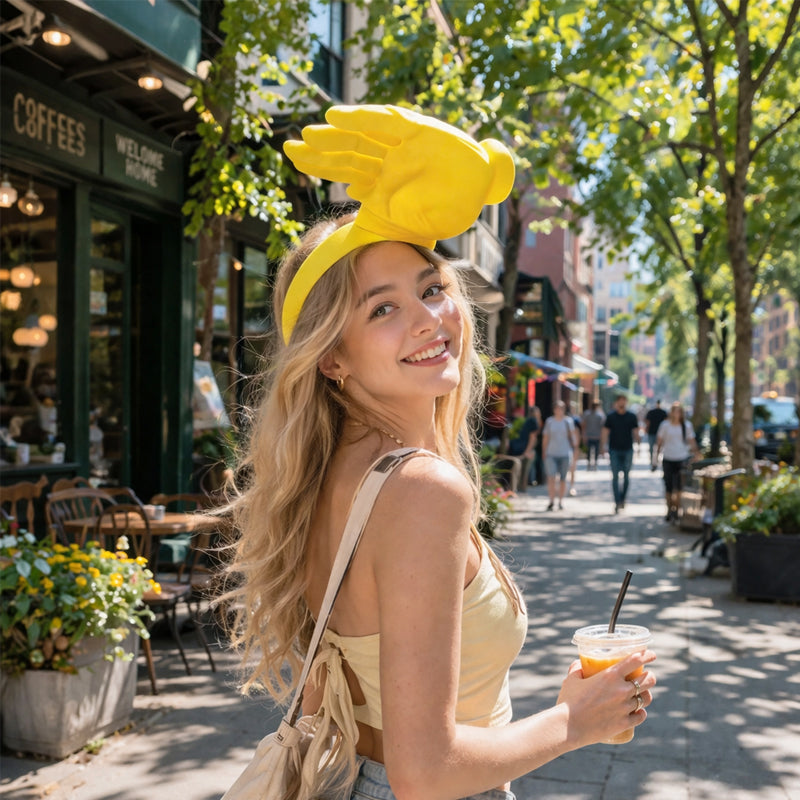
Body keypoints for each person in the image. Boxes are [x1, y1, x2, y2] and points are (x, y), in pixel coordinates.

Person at [223, 104, 656, 800]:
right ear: (333, 357)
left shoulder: (331, 474)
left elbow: (341, 690)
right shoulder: (422, 491)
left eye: (431, 290)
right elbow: (426, 773)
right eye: (382, 308)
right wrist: (575, 721)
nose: (430, 318)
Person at [656, 401, 699, 522]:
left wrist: (697, 453)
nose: (677, 414)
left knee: (679, 486)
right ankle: (669, 509)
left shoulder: (686, 425)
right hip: (668, 458)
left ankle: (677, 509)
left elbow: (691, 440)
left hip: (682, 458)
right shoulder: (665, 425)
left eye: (679, 411)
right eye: (675, 411)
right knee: (668, 486)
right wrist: (656, 457)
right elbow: (659, 441)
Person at [601, 394, 641, 513]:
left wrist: (638, 446)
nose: (622, 403)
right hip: (614, 449)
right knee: (615, 477)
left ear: (626, 402)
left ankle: (623, 499)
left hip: (628, 449)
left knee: (627, 477)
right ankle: (617, 501)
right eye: (620, 401)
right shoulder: (611, 417)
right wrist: (603, 446)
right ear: (617, 402)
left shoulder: (631, 416)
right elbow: (605, 432)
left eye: (624, 400)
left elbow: (636, 432)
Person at [542, 401, 578, 510]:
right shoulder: (549, 421)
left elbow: (573, 437)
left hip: (565, 453)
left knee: (563, 478)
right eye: (557, 408)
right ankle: (551, 500)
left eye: (561, 408)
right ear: (554, 409)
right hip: (551, 453)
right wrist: (544, 452)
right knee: (551, 477)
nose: (559, 410)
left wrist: (575, 451)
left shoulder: (568, 421)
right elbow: (546, 437)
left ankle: (561, 501)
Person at [507, 407, 538, 488]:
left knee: (522, 472)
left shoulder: (529, 421)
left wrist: (527, 451)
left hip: (522, 450)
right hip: (518, 449)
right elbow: (533, 437)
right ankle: (516, 489)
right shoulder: (515, 420)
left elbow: (533, 438)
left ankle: (519, 489)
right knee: (518, 471)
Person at [581, 401, 605, 470]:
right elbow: (583, 425)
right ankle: (590, 464)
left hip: (596, 436)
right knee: (589, 451)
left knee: (596, 451)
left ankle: (594, 464)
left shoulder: (600, 415)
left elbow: (603, 426)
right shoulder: (588, 414)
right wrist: (584, 435)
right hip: (590, 436)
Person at [645, 400, 668, 471]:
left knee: (656, 449)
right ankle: (654, 462)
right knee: (654, 449)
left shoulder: (661, 412)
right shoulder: (660, 412)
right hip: (653, 433)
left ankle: (654, 461)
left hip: (656, 433)